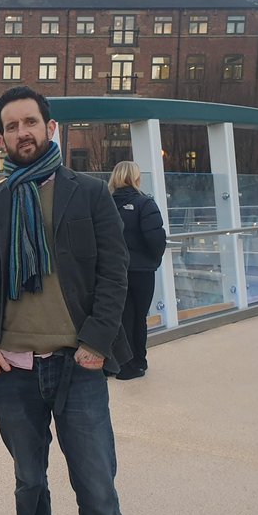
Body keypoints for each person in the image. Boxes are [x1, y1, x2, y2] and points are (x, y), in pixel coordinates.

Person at [0, 86, 137, 515]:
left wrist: (95, 341)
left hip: (77, 364)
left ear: (50, 127)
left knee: (97, 485)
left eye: (30, 122)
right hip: (13, 368)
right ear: (1, 138)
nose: (22, 133)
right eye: (12, 126)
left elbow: (116, 274)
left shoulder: (88, 193)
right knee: (27, 479)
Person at [108, 161, 167, 380]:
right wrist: (153, 258)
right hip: (141, 271)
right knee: (139, 317)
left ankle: (121, 362)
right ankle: (138, 362)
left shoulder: (106, 204)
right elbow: (156, 238)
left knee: (121, 317)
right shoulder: (145, 203)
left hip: (114, 271)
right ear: (136, 177)